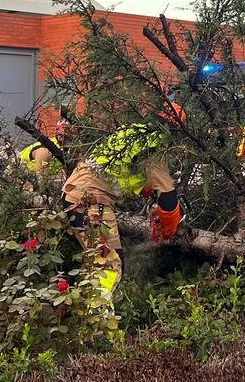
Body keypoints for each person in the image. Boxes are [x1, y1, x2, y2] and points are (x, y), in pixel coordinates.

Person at [62, 108, 185, 291]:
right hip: (91, 202)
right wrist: (170, 227)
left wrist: (151, 193)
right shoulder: (155, 146)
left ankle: (86, 305)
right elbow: (167, 198)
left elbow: (126, 173)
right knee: (109, 268)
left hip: (76, 194)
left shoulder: (133, 132)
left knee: (101, 264)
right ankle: (97, 309)